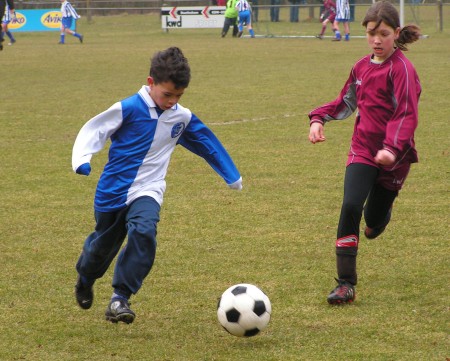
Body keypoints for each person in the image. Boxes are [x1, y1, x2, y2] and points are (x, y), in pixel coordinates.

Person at [72, 47, 243, 324]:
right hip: (113, 191)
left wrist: (231, 175)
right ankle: (86, 277)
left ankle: (120, 297)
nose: (172, 101)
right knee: (101, 247)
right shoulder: (127, 108)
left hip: (148, 189)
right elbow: (95, 130)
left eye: (179, 96)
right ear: (151, 83)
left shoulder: (181, 116)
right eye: (167, 94)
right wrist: (82, 159)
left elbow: (206, 143)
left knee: (144, 230)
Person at [308, 1, 421, 305]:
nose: (377, 40)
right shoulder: (360, 67)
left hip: (394, 158)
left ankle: (380, 215)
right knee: (350, 206)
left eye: (384, 34)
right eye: (371, 34)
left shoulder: (403, 70)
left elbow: (406, 113)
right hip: (362, 150)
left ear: (396, 33)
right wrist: (318, 118)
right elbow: (344, 103)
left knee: (371, 224)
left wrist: (391, 148)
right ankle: (345, 283)